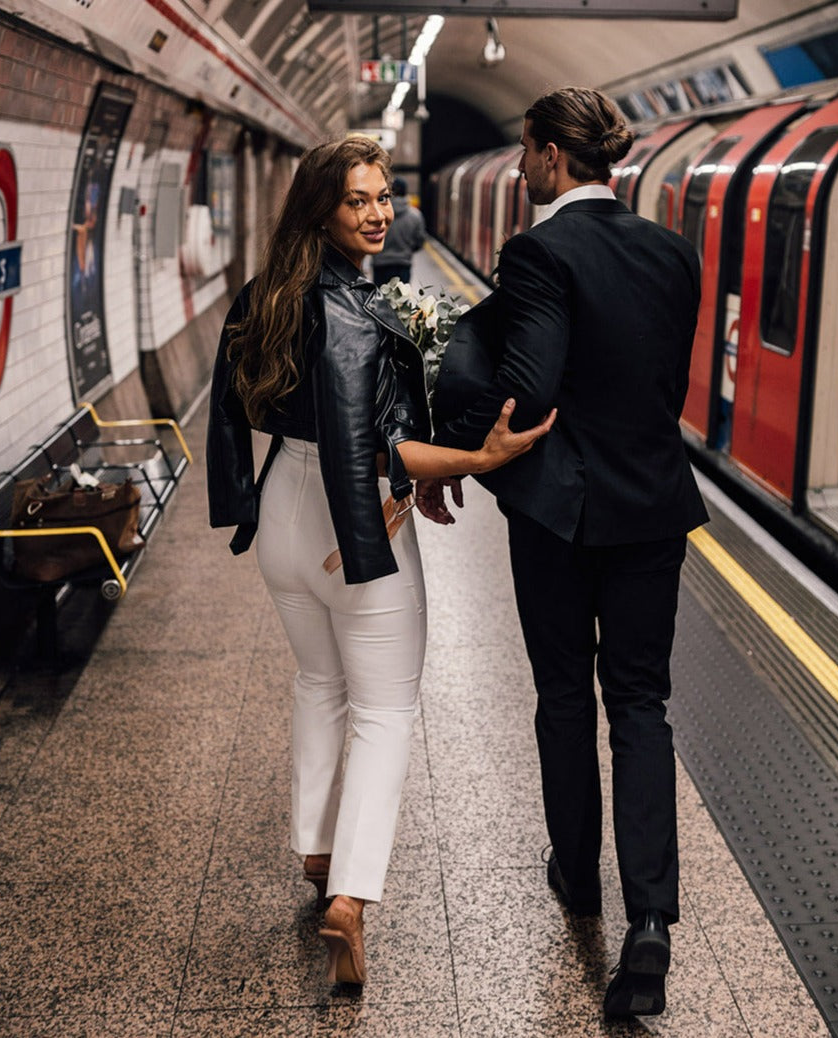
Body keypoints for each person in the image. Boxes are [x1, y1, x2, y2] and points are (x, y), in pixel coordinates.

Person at [206, 136, 554, 989]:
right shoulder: (354, 314)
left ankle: (316, 854)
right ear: (321, 208)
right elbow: (383, 449)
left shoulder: (263, 296)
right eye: (357, 199)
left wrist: (241, 502)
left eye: (383, 196)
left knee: (319, 685)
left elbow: (226, 410)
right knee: (387, 708)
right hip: (348, 519)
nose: (376, 213)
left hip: (282, 508)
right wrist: (481, 458)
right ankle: (351, 899)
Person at [420, 87, 708, 1020]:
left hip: (560, 518)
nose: (521, 167)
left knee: (561, 695)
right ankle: (653, 922)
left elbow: (531, 391)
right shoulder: (673, 251)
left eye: (526, 153)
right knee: (641, 704)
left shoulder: (539, 251)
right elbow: (666, 382)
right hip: (655, 512)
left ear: (548, 156)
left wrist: (464, 410)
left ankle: (579, 878)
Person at [371, 176, 425, 286]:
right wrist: (407, 249)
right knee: (401, 300)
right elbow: (419, 241)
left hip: (380, 265)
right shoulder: (415, 215)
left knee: (379, 300)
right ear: (406, 192)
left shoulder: (377, 214)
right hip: (403, 264)